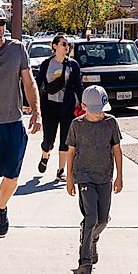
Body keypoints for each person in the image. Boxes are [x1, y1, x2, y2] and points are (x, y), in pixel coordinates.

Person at [0, 7, 41, 254]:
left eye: (1, 23)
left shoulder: (17, 49)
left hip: (12, 123)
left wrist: (36, 111)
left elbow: (28, 80)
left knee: (11, 179)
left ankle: (0, 207)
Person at [65, 86, 123, 274]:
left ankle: (92, 239)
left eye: (101, 110)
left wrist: (119, 176)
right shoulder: (77, 125)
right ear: (83, 106)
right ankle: (85, 262)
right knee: (91, 218)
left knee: (103, 219)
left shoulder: (111, 123)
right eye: (95, 110)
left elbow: (116, 150)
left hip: (105, 177)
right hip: (84, 177)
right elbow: (71, 152)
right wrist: (69, 179)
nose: (99, 114)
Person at [35, 33, 83, 182]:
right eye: (63, 44)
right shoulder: (46, 64)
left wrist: (83, 102)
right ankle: (45, 155)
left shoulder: (73, 65)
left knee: (65, 141)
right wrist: (31, 104)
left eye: (68, 44)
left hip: (67, 107)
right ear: (55, 46)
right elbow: (37, 83)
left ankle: (61, 171)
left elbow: (78, 86)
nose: (66, 46)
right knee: (48, 140)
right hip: (49, 106)